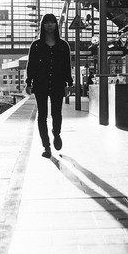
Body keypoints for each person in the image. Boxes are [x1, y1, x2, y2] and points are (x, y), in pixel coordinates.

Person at [25, 13, 73, 158]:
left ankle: (56, 133)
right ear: (43, 25)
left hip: (58, 84)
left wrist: (69, 83)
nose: (50, 24)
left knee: (57, 113)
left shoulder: (63, 45)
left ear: (56, 25)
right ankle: (46, 146)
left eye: (52, 22)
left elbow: (67, 66)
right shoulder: (36, 45)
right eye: (47, 22)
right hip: (40, 84)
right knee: (42, 115)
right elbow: (31, 65)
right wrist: (28, 82)